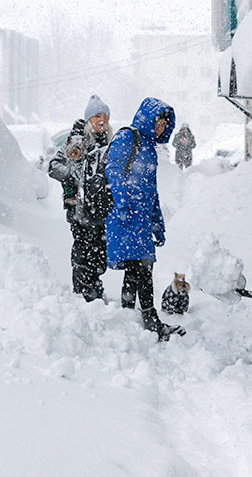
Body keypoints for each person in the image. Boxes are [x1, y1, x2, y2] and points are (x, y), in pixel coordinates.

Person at [105, 97, 186, 341]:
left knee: (137, 269)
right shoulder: (127, 137)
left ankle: (131, 318)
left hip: (140, 219)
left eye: (164, 124)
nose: (160, 127)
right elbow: (113, 169)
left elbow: (152, 191)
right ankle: (149, 320)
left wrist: (158, 223)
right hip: (126, 216)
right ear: (147, 119)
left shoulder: (150, 149)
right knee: (141, 268)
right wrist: (122, 204)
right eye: (157, 122)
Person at [48, 95, 113, 302]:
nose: (102, 120)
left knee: (100, 251)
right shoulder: (77, 140)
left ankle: (93, 286)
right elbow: (53, 166)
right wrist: (74, 178)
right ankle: (83, 291)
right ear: (88, 120)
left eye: (105, 116)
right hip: (78, 207)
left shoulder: (109, 142)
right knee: (84, 249)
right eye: (97, 116)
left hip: (100, 208)